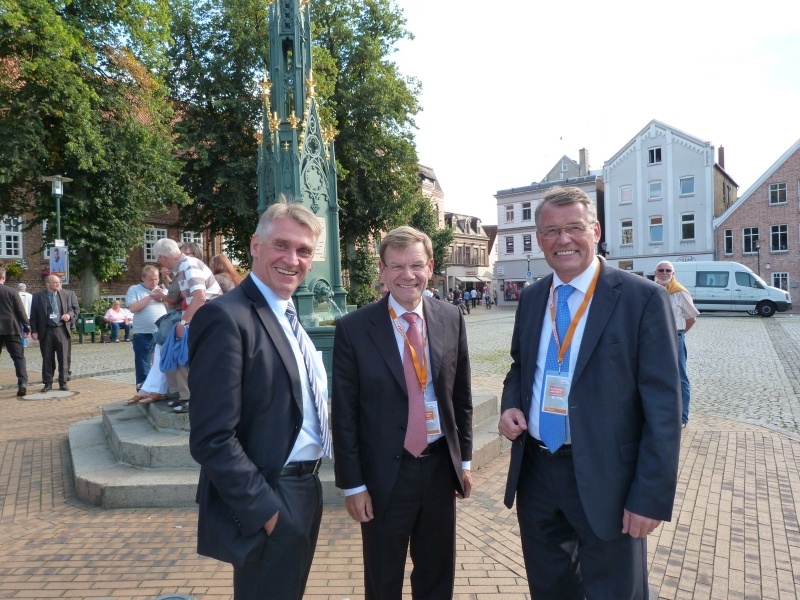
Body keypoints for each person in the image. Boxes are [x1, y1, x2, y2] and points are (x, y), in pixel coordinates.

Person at [497, 186, 681, 600]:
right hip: (538, 473)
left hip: (608, 480)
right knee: (550, 589)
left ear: (595, 230)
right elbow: (521, 367)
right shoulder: (530, 298)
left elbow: (664, 408)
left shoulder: (642, 299)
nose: (563, 240)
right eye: (551, 231)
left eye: (574, 228)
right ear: (540, 239)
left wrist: (649, 496)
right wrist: (511, 402)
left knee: (616, 591)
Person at [188, 199, 328, 600]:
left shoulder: (285, 313)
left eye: (303, 251)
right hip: (271, 494)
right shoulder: (227, 318)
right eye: (281, 246)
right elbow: (212, 437)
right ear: (254, 246)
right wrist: (267, 513)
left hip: (305, 487)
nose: (293, 259)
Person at [332, 225, 473, 600]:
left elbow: (461, 397)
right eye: (396, 266)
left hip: (440, 468)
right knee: (383, 577)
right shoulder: (354, 328)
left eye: (415, 265)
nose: (407, 276)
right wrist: (354, 484)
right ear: (381, 270)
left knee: (437, 574)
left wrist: (466, 462)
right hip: (382, 477)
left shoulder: (451, 317)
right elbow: (344, 414)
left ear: (430, 266)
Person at [153, 238, 221, 414]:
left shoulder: (188, 266)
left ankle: (190, 398)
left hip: (208, 318)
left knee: (184, 355)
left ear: (162, 258)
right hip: (203, 317)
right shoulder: (184, 267)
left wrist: (183, 322)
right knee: (175, 352)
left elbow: (200, 297)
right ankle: (183, 395)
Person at [655, 260, 700, 427]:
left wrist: (678, 334)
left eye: (668, 270)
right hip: (657, 339)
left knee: (680, 378)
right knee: (658, 376)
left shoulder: (680, 292)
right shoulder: (654, 291)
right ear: (656, 273)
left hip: (675, 337)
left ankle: (682, 417)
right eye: (661, 270)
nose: (664, 273)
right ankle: (663, 412)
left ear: (673, 274)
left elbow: (691, 319)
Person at [30, 274, 78, 392]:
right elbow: (33, 315)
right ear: (48, 284)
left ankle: (63, 382)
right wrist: (34, 330)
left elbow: (72, 309)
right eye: (56, 282)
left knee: (63, 357)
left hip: (61, 329)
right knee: (47, 358)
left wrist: (69, 315)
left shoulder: (66, 294)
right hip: (46, 330)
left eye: (60, 282)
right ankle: (47, 383)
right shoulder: (38, 296)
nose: (59, 284)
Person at [126, 265, 169, 390]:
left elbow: (170, 309)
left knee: (160, 363)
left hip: (160, 333)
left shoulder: (163, 290)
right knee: (143, 364)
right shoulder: (134, 290)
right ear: (143, 278)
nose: (154, 282)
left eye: (156, 279)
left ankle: (160, 389)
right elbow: (133, 308)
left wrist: (163, 297)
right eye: (151, 279)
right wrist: (150, 297)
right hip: (143, 334)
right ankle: (142, 389)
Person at [0, 269, 31, 396]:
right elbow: (20, 310)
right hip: (11, 328)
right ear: (3, 278)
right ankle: (22, 383)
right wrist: (27, 326)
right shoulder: (12, 291)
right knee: (18, 357)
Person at [17, 283, 32, 348]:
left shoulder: (16, 295)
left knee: (19, 329)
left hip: (18, 315)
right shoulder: (30, 296)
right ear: (25, 288)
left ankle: (21, 342)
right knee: (26, 329)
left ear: (17, 288)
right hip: (28, 315)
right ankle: (25, 343)